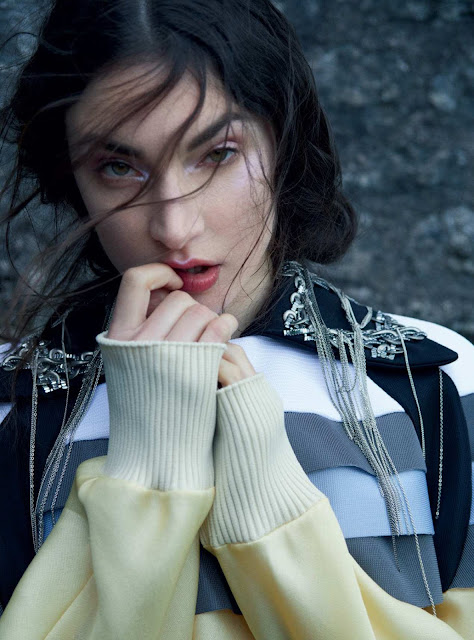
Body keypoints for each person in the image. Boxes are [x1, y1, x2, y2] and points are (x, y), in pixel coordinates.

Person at [0, 1, 472, 638]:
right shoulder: (16, 407)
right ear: (71, 176)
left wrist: (265, 510)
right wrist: (147, 473)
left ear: (282, 141)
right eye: (118, 167)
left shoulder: (437, 379)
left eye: (217, 154)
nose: (173, 225)